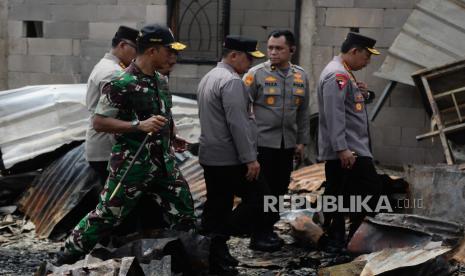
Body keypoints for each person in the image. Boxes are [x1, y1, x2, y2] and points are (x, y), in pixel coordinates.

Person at [56, 24, 196, 265]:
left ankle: (188, 260)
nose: (174, 57)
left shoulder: (160, 81)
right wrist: (138, 126)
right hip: (132, 164)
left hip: (162, 162)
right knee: (107, 215)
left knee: (184, 209)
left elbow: (164, 113)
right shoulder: (122, 82)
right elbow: (99, 122)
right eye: (169, 51)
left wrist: (171, 135)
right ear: (152, 51)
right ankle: (64, 257)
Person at [197, 35, 282, 275]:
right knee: (262, 200)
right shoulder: (231, 81)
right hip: (230, 157)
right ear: (233, 55)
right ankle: (216, 237)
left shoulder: (210, 77)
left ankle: (215, 251)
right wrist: (250, 159)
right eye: (247, 58)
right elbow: (239, 124)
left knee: (219, 204)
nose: (249, 64)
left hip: (212, 155)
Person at [317, 32, 383, 252]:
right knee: (369, 191)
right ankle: (347, 238)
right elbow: (333, 114)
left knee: (340, 192)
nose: (368, 61)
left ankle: (340, 238)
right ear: (354, 51)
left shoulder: (345, 74)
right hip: (348, 150)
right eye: (366, 56)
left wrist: (364, 94)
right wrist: (341, 148)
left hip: (351, 148)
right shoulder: (338, 75)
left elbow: (349, 106)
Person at [243, 30, 310, 242]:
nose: (272, 52)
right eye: (270, 47)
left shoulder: (300, 76)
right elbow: (241, 109)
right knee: (262, 191)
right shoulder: (256, 74)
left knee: (280, 189)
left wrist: (301, 141)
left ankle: (268, 229)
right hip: (261, 144)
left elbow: (303, 111)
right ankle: (258, 232)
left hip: (287, 144)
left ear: (291, 49)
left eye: (279, 48)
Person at [85, 26, 139, 184]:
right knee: (113, 203)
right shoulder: (112, 72)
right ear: (122, 45)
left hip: (102, 147)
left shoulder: (108, 66)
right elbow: (110, 116)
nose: (137, 55)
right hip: (107, 149)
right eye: (136, 49)